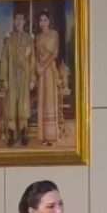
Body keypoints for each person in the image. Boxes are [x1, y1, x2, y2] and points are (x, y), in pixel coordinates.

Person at [0, 11, 34, 146]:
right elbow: (4, 59)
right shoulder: (9, 39)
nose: (19, 22)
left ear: (24, 22)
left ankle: (24, 133)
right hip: (11, 77)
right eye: (16, 19)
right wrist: (4, 79)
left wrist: (32, 79)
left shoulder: (29, 39)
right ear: (14, 21)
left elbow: (32, 60)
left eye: (21, 19)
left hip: (24, 76)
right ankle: (11, 134)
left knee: (23, 105)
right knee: (11, 105)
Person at [34, 10, 60, 146]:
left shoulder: (54, 34)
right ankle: (43, 136)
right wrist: (37, 67)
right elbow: (36, 55)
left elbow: (54, 54)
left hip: (49, 70)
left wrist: (43, 67)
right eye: (40, 20)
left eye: (45, 20)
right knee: (42, 101)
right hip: (41, 73)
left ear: (49, 21)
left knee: (50, 100)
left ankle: (51, 136)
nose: (42, 22)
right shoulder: (37, 37)